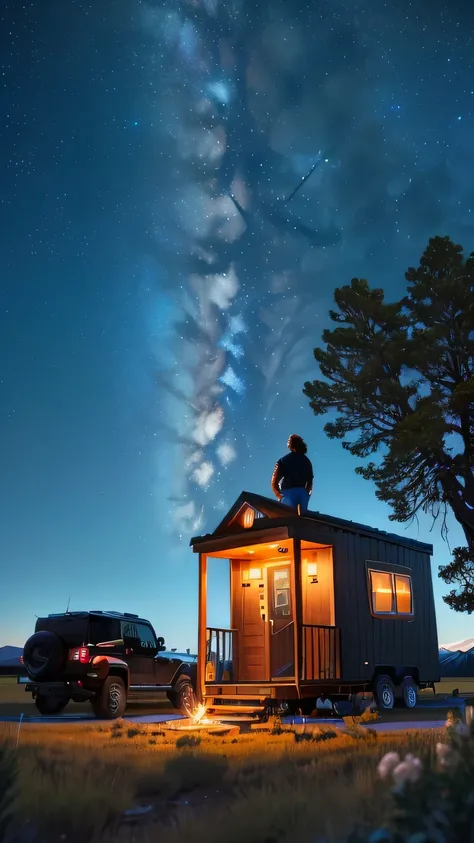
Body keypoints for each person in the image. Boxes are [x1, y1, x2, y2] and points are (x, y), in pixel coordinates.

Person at [271, 434, 313, 512]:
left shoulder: (283, 460)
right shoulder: (307, 461)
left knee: (287, 518)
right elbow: (310, 482)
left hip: (287, 493)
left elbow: (274, 481)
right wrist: (306, 495)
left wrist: (279, 495)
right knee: (302, 519)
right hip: (301, 492)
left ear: (290, 445)